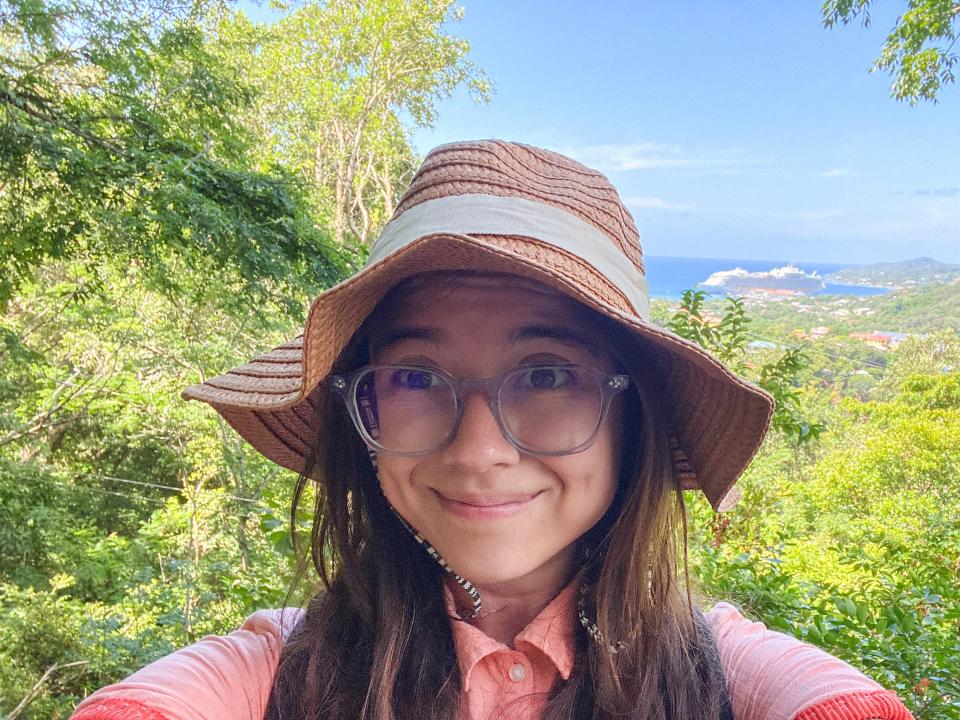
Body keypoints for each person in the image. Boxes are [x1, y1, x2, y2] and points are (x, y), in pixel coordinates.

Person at [71, 141, 914, 720]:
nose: (477, 451)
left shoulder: (720, 671)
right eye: (411, 378)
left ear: (633, 415)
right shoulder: (287, 668)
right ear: (361, 414)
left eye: (547, 375)